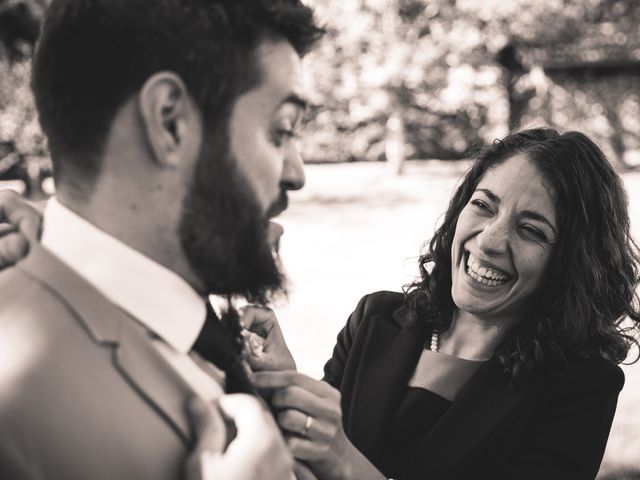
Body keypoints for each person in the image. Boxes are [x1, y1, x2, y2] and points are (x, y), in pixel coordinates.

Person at [0, 0, 323, 479]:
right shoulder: (15, 386)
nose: (296, 175)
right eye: (280, 131)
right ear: (170, 121)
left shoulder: (195, 322)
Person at [241, 129, 640, 479]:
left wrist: (342, 461)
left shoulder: (580, 387)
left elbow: (333, 454)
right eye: (483, 205)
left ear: (571, 262)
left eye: (531, 230)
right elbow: (306, 462)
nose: (488, 242)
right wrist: (283, 385)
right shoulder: (374, 319)